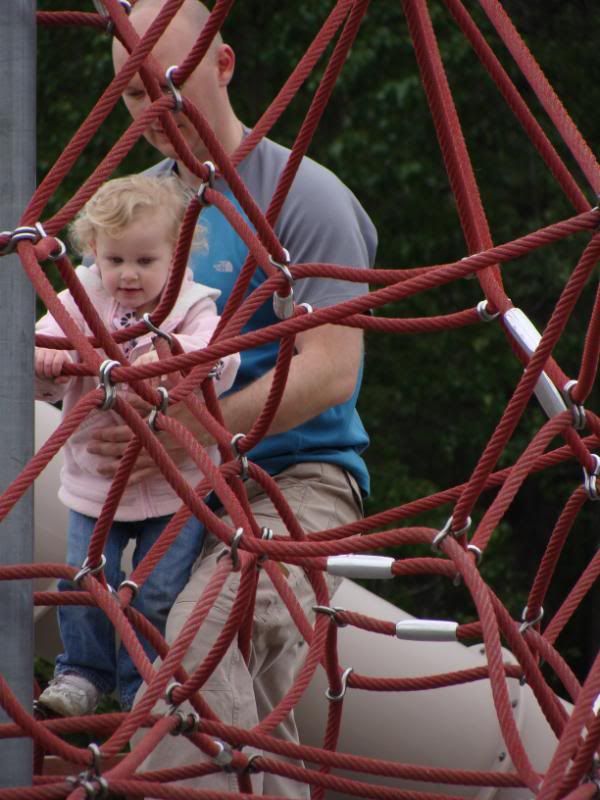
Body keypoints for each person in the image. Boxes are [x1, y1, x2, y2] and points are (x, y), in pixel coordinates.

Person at [91, 0, 378, 794]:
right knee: (177, 662)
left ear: (223, 66)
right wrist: (106, 420)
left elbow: (329, 372)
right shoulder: (135, 211)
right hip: (174, 484)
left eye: (168, 81)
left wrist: (185, 421)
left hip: (298, 482)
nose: (151, 108)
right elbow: (94, 348)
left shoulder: (303, 199)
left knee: (202, 637)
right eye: (129, 93)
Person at [35, 174, 239, 716]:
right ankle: (81, 672)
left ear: (176, 256)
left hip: (174, 489)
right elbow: (39, 360)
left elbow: (223, 360)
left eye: (145, 262)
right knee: (84, 577)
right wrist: (48, 361)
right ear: (93, 254)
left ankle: (140, 685)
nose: (128, 274)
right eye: (115, 260)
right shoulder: (80, 299)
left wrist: (170, 364)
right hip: (96, 482)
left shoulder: (193, 305)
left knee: (155, 592)